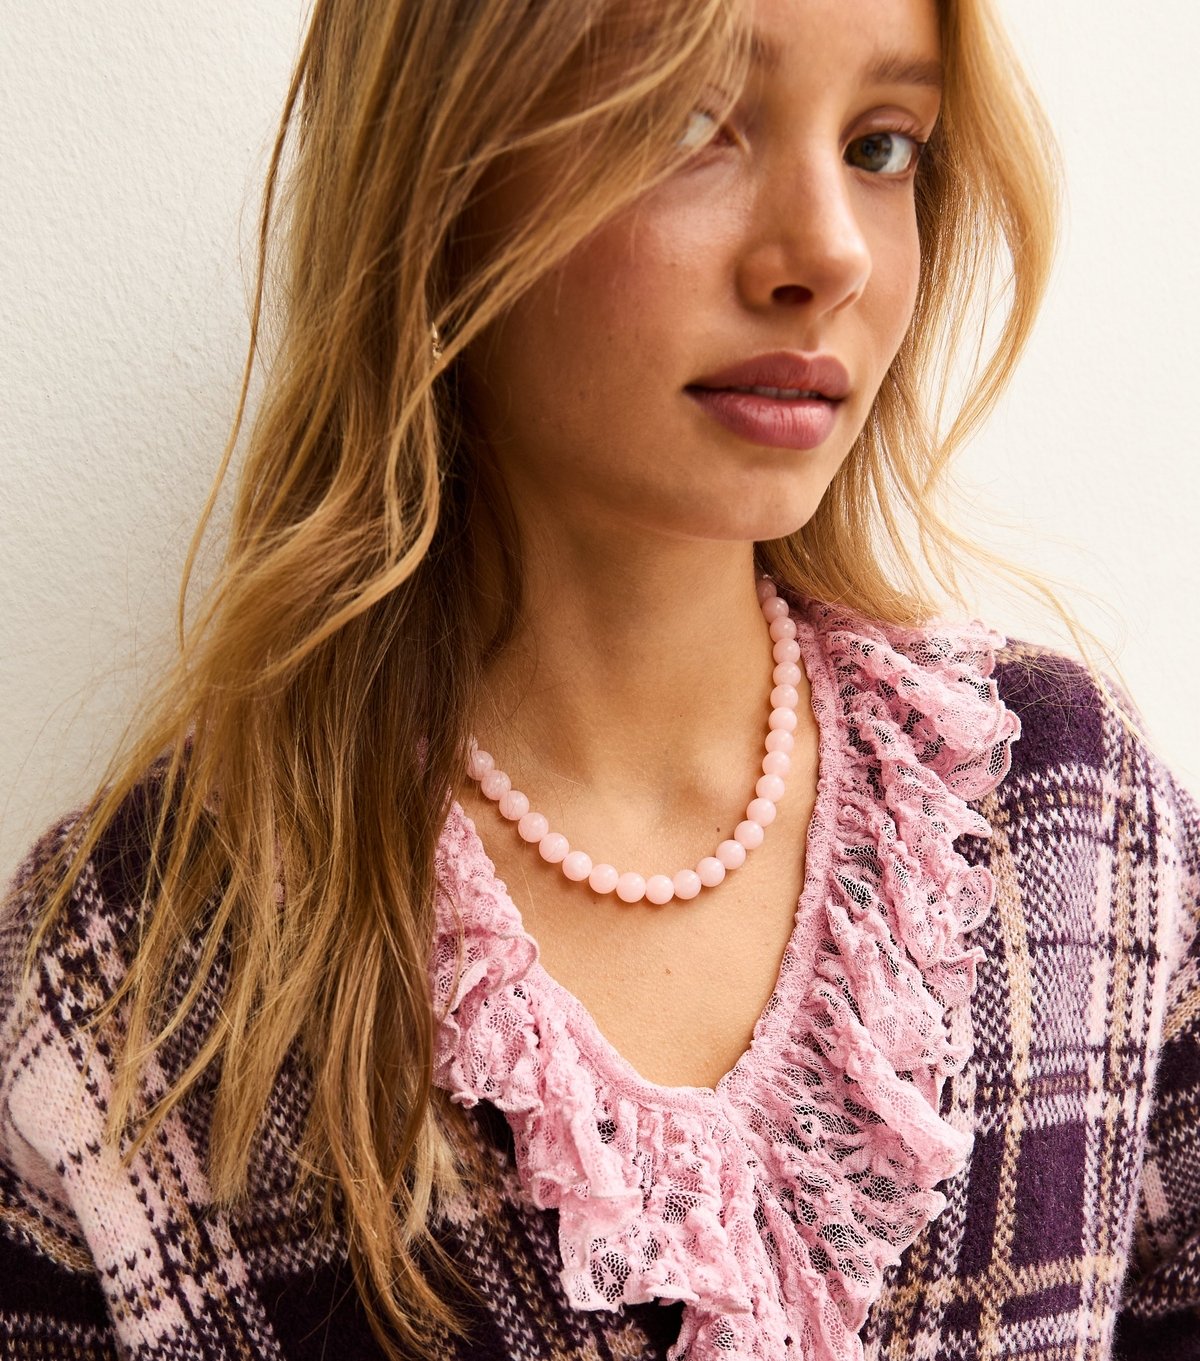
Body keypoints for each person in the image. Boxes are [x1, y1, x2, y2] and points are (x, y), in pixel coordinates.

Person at [1, 0, 1196, 1357]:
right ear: (441, 176)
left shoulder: (1069, 822)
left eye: (881, 145)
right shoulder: (140, 980)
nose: (830, 254)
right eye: (689, 122)